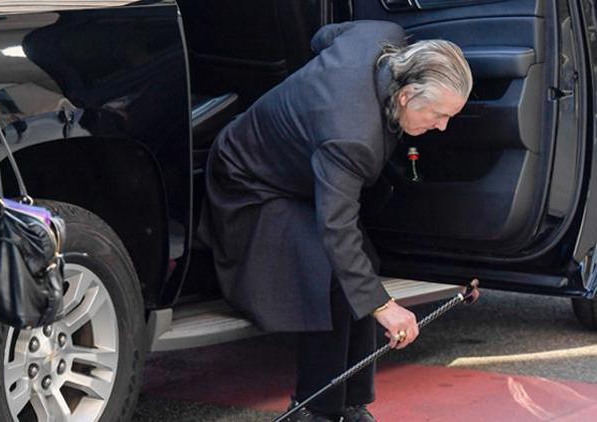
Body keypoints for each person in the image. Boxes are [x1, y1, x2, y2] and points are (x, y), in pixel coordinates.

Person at [199, 20, 472, 422]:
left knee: (365, 265)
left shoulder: (382, 37)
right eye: (438, 114)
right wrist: (384, 306)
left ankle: (351, 403)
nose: (442, 126)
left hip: (301, 172)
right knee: (325, 271)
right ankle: (314, 409)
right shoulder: (351, 134)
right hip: (250, 181)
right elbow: (336, 229)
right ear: (407, 94)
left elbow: (321, 38)